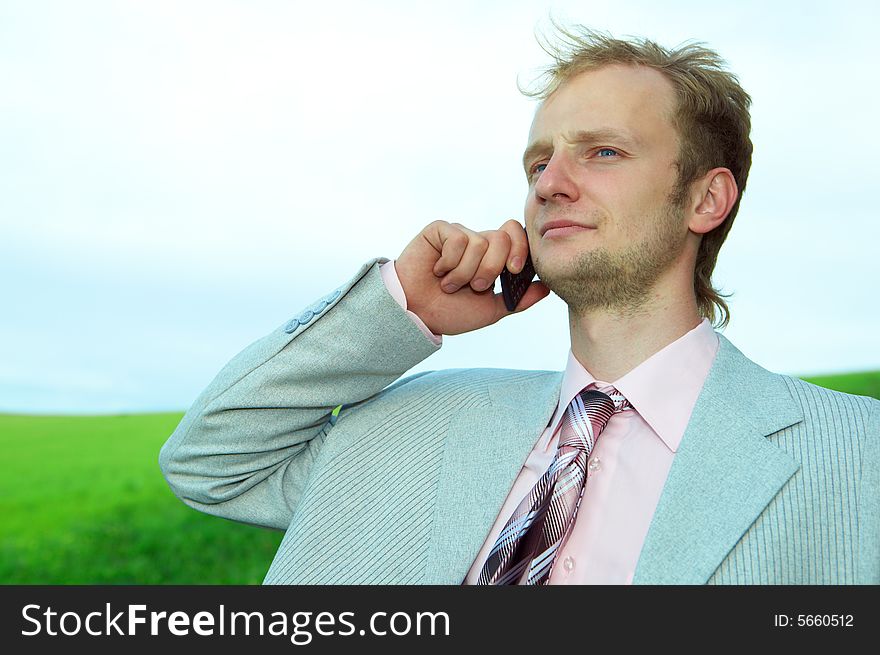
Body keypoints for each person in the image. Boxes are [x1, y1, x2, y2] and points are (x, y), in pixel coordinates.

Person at [159, 25, 879, 585]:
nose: (550, 183)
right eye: (539, 161)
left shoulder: (856, 453)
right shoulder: (417, 422)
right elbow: (210, 461)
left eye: (601, 153)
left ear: (705, 198)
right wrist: (402, 307)